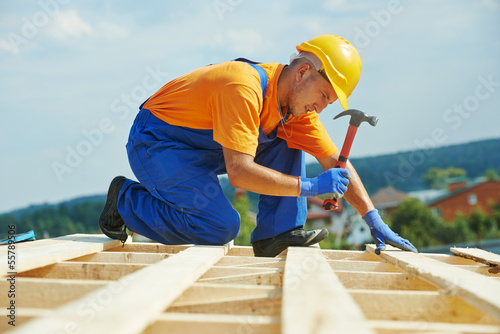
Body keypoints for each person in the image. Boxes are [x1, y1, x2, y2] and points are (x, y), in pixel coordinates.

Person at [99, 34, 417, 257]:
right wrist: (309, 186)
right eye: (323, 96)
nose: (321, 108)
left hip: (204, 147)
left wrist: (373, 219)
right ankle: (125, 201)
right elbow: (239, 172)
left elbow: (336, 163)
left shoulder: (297, 110)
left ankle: (276, 234)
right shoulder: (242, 86)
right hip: (157, 142)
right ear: (303, 72)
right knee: (219, 228)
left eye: (329, 103)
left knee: (288, 137)